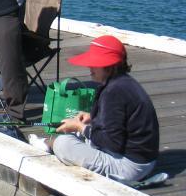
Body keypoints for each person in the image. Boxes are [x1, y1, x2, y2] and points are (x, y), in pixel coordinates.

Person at [42, 35, 159, 182]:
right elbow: (121, 119)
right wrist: (92, 116)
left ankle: (50, 143)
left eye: (95, 64)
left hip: (129, 166)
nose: (90, 67)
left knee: (63, 144)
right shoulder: (124, 83)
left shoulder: (113, 92)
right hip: (145, 160)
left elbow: (112, 142)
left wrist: (80, 127)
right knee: (81, 138)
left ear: (110, 66)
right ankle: (49, 142)